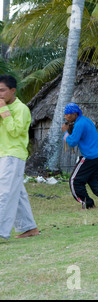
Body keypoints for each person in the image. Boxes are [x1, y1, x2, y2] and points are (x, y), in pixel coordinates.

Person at [0, 74, 40, 239]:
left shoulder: (21, 109)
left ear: (12, 90)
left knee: (4, 192)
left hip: (13, 154)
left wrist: (4, 110)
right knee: (18, 193)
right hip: (3, 154)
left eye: (2, 90)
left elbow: (16, 131)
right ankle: (28, 227)